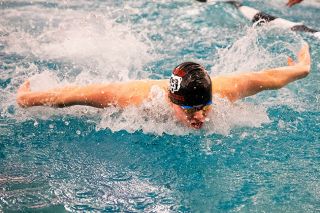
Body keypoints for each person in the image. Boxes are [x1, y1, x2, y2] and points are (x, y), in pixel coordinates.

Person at [17, 43, 311, 129]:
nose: (200, 118)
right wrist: (27, 99)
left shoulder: (223, 90)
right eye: (189, 110)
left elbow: (272, 78)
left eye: (204, 108)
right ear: (172, 102)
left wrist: (301, 66)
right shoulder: (138, 98)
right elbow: (74, 95)